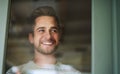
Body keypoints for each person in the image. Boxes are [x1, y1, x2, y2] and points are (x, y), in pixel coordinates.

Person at [6, 6, 81, 74]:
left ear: (59, 36)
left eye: (53, 30)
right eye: (41, 30)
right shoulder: (15, 72)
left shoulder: (72, 72)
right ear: (31, 38)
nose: (48, 36)